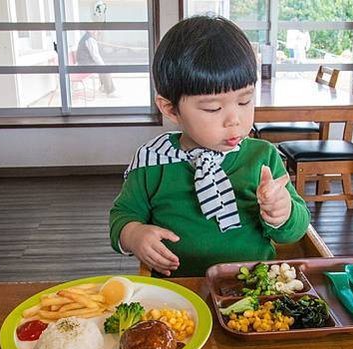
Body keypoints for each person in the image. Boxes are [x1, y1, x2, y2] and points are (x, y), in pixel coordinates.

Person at [109, 16, 310, 277]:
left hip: (254, 289)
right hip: (179, 294)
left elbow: (294, 232)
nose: (234, 120)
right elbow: (121, 217)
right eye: (213, 108)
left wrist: (282, 212)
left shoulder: (262, 156)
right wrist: (133, 234)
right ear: (170, 108)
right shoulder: (152, 163)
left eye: (245, 101)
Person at [76, 30, 116, 96]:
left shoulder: (87, 37)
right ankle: (110, 92)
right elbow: (95, 56)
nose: (97, 31)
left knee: (102, 66)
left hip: (83, 63)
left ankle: (103, 87)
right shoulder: (89, 39)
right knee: (105, 69)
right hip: (85, 65)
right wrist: (103, 65)